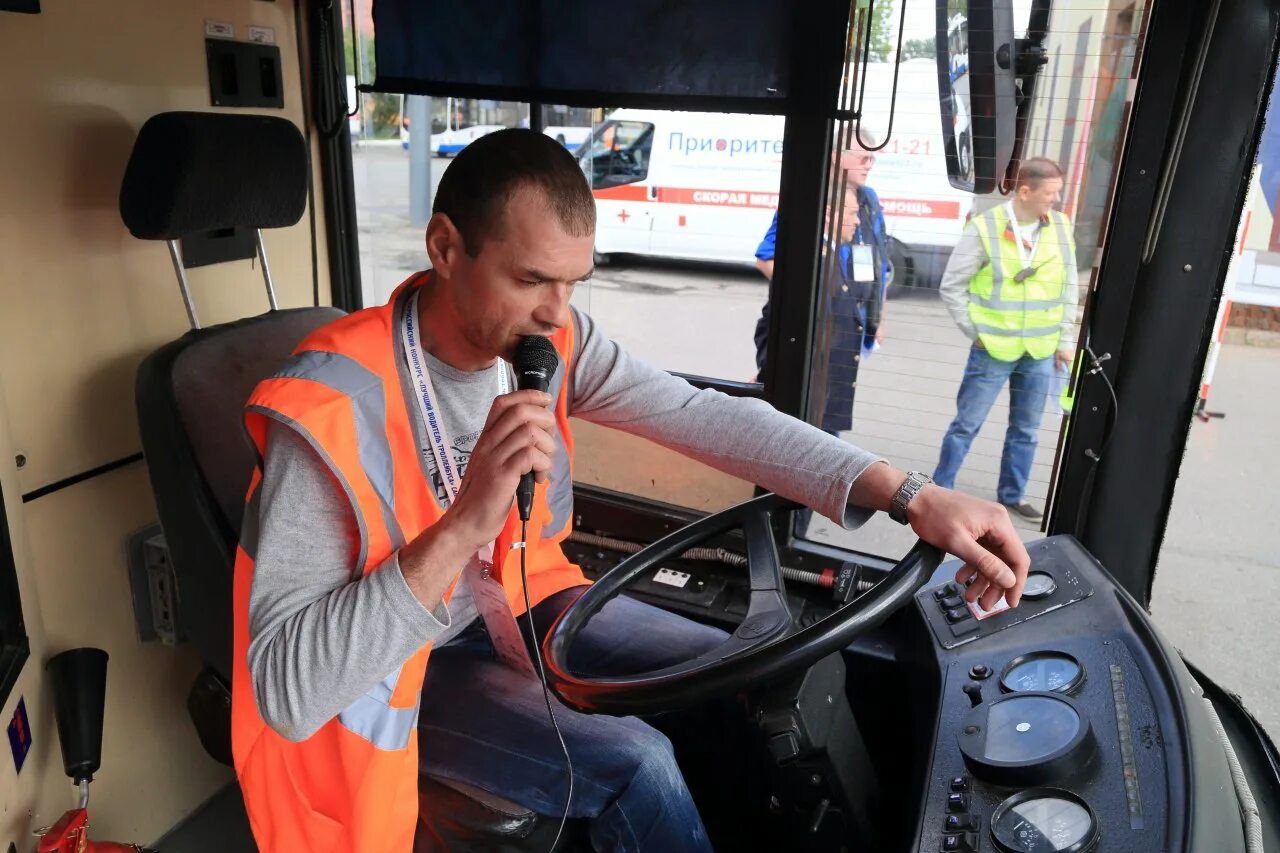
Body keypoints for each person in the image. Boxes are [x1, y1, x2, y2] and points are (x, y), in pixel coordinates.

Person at [231, 129, 1032, 853]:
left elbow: (698, 413)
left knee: (748, 670)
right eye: (532, 278)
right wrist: (462, 523)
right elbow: (289, 691)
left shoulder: (550, 340)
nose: (555, 313)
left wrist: (906, 492)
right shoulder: (328, 412)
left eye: (575, 283)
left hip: (519, 602)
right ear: (445, 246)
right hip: (403, 665)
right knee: (637, 766)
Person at [932, 157, 1078, 521]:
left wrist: (1065, 339)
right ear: (1025, 191)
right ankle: (937, 491)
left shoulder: (1060, 227)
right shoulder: (985, 228)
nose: (1055, 201)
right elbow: (952, 286)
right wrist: (976, 333)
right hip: (992, 348)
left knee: (1026, 430)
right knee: (966, 424)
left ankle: (1012, 495)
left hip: (1040, 349)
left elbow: (1068, 287)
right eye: (1050, 193)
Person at [752, 132, 891, 435]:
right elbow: (767, 260)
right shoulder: (811, 202)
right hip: (822, 331)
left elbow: (880, 262)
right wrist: (812, 298)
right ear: (836, 157)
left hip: (850, 325)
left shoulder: (868, 201)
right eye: (863, 157)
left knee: (832, 411)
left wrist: (878, 315)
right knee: (811, 417)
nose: (870, 165)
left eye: (873, 158)